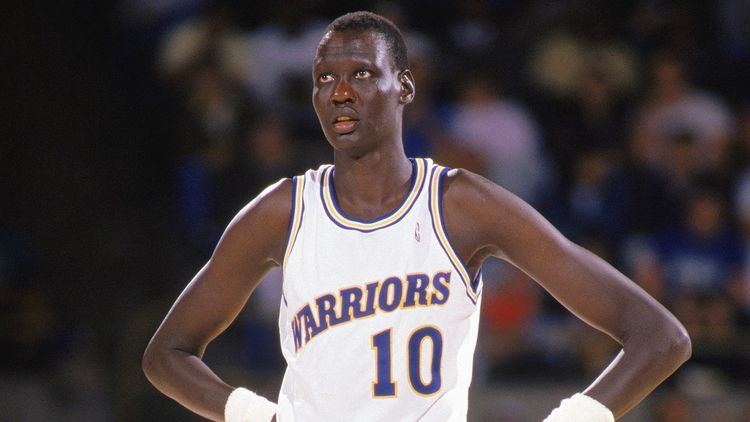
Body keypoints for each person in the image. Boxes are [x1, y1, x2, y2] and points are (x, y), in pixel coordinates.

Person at [143, 11, 691, 422]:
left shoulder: (460, 205)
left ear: (404, 86)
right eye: (324, 78)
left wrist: (570, 417)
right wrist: (259, 416)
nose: (339, 92)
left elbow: (660, 337)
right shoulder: (281, 213)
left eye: (361, 73)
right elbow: (166, 355)